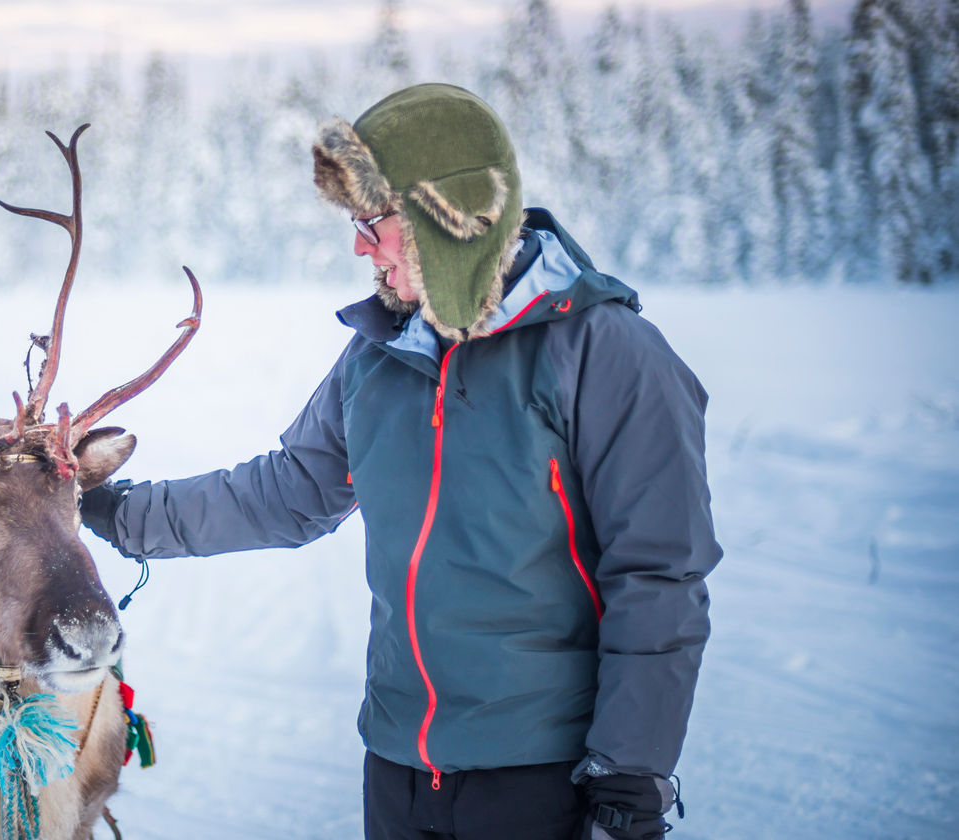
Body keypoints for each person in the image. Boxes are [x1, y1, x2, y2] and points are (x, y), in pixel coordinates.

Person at [81, 83, 720, 840]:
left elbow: (659, 571)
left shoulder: (603, 352)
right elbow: (290, 491)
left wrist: (629, 767)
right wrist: (114, 512)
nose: (359, 246)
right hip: (397, 767)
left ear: (448, 216)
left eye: (373, 222)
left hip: (543, 775)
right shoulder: (380, 355)